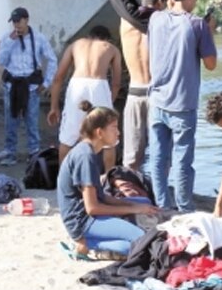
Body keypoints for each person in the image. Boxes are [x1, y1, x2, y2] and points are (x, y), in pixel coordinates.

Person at [145, 0, 217, 212]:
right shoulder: (197, 24)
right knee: (183, 161)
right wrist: (210, 32)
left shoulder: (155, 19)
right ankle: (184, 207)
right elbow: (211, 64)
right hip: (182, 103)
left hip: (156, 100)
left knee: (158, 158)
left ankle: (162, 206)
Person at [57, 101, 159, 257]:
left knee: (145, 203)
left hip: (90, 214)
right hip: (83, 221)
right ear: (99, 132)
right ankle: (86, 245)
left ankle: (103, 236)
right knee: (140, 241)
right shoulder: (85, 157)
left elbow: (101, 196)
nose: (118, 133)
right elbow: (92, 208)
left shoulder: (91, 151)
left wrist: (133, 204)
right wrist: (134, 209)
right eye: (114, 128)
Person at [107, 0, 167, 173]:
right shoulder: (163, 22)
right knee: (161, 152)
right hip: (156, 93)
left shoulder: (127, 20)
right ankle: (161, 196)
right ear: (160, 2)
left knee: (132, 156)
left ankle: (129, 192)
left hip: (135, 91)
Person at [47, 25, 122, 166]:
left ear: (89, 36)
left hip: (77, 85)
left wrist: (54, 107)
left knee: (68, 137)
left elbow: (58, 78)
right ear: (106, 39)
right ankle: (108, 179)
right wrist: (108, 104)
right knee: (108, 139)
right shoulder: (111, 48)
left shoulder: (76, 45)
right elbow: (116, 83)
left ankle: (65, 180)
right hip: (100, 85)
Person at [0, 7, 58, 166]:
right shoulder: (7, 38)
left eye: (19, 21)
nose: (16, 25)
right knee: (11, 120)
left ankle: (34, 152)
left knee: (31, 120)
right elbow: (1, 61)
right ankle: (10, 151)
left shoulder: (39, 38)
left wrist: (47, 82)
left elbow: (52, 60)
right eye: (14, 22)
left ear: (26, 20)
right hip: (12, 85)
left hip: (30, 85)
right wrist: (9, 42)